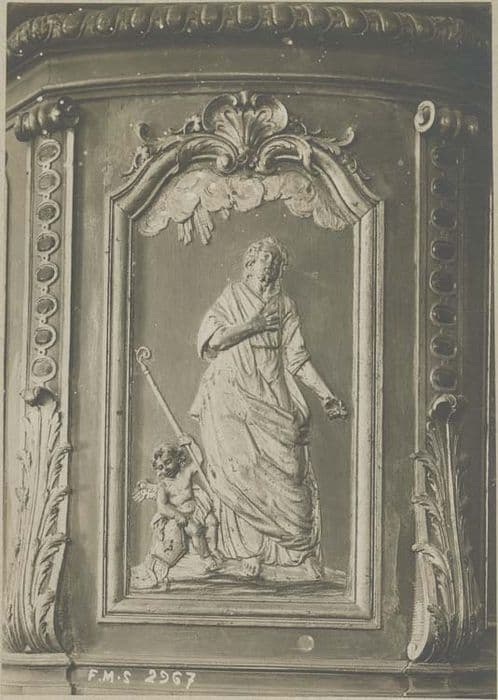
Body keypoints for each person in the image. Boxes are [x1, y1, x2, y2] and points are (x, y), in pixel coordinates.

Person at [190, 236, 347, 579]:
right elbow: (214, 340)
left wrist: (325, 395)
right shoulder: (232, 297)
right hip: (231, 390)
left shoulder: (285, 305)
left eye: (275, 261)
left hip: (271, 386)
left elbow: (297, 358)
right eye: (265, 259)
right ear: (250, 263)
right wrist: (254, 325)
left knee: (289, 466)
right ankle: (250, 551)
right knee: (240, 468)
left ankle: (293, 551)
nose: (270, 266)